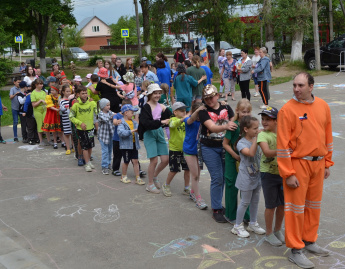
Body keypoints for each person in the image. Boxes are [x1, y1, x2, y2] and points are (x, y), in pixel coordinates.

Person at [277, 72, 333, 269]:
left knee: (313, 206)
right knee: (295, 209)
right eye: (294, 85)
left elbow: (327, 136)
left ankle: (309, 241)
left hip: (318, 164)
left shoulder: (323, 106)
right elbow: (282, 145)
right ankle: (295, 249)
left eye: (300, 85)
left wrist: (327, 162)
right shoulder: (287, 110)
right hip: (298, 164)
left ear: (311, 86)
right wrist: (288, 173)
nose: (296, 89)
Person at [198, 85, 237, 222]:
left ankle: (219, 205)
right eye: (206, 98)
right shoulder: (203, 111)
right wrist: (226, 126)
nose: (209, 100)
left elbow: (234, 119)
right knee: (217, 177)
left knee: (225, 177)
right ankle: (216, 209)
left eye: (211, 97)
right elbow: (212, 127)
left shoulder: (225, 107)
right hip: (209, 147)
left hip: (225, 146)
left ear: (217, 95)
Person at [231, 116, 265, 238]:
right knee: (245, 202)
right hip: (246, 177)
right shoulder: (241, 143)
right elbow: (250, 153)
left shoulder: (257, 139)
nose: (258, 130)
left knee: (255, 201)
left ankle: (253, 223)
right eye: (255, 128)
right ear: (246, 129)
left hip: (257, 176)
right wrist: (257, 138)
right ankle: (237, 226)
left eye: (258, 127)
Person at [257, 106, 285, 246]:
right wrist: (284, 151)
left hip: (283, 173)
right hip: (268, 173)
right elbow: (267, 152)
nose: (264, 122)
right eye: (263, 119)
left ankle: (277, 229)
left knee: (282, 204)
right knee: (271, 205)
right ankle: (269, 233)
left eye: (268, 119)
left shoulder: (283, 133)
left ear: (276, 121)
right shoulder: (262, 135)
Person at [223, 99, 252, 225]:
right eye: (243, 112)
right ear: (237, 111)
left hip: (246, 160)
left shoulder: (250, 125)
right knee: (232, 186)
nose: (245, 114)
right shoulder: (233, 125)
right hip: (232, 159)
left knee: (246, 187)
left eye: (248, 112)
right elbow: (225, 144)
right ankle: (230, 214)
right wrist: (235, 156)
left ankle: (247, 215)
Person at [139, 83, 171, 194]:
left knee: (165, 159)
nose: (157, 95)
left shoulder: (162, 106)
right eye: (155, 93)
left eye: (159, 93)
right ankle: (150, 184)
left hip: (159, 133)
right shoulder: (146, 107)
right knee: (154, 160)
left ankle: (155, 176)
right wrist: (160, 122)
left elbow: (170, 118)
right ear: (150, 94)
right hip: (149, 133)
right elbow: (145, 123)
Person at [162, 102, 190, 197]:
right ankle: (166, 185)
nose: (184, 112)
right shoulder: (172, 120)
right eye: (181, 111)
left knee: (187, 169)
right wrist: (183, 119)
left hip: (185, 149)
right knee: (174, 170)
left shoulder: (186, 120)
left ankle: (186, 188)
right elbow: (173, 124)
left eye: (185, 110)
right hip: (175, 150)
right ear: (175, 112)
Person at [183, 103, 208, 209]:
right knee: (195, 175)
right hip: (189, 150)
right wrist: (197, 111)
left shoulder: (204, 121)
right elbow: (190, 120)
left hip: (199, 150)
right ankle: (198, 198)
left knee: (198, 174)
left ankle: (193, 193)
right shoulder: (188, 119)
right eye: (198, 113)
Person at [69, 86, 98, 172]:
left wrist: (95, 104)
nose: (85, 95)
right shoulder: (76, 105)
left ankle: (88, 161)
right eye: (83, 93)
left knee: (90, 146)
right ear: (78, 94)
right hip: (81, 129)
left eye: (86, 93)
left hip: (91, 128)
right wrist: (80, 123)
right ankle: (87, 163)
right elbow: (71, 116)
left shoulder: (91, 103)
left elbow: (97, 112)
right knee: (84, 146)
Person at [117, 104, 144, 185]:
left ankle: (138, 177)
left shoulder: (134, 122)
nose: (133, 114)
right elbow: (121, 133)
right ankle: (123, 176)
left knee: (135, 161)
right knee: (126, 161)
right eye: (132, 112)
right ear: (126, 113)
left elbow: (139, 129)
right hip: (126, 146)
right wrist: (131, 131)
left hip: (134, 144)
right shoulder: (121, 122)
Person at [98, 98, 116, 175]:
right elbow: (105, 119)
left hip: (110, 135)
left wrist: (118, 114)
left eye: (109, 105)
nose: (109, 107)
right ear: (102, 106)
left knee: (109, 151)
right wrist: (112, 116)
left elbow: (114, 114)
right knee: (105, 151)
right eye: (107, 105)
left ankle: (109, 164)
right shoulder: (101, 114)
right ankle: (104, 166)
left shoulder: (110, 112)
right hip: (103, 136)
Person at [41, 84, 61, 149]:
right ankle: (54, 142)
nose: (51, 91)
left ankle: (62, 141)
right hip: (52, 114)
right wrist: (57, 109)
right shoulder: (49, 97)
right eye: (51, 90)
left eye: (53, 90)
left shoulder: (59, 96)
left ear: (57, 91)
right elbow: (49, 105)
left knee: (60, 129)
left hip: (59, 114)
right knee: (53, 129)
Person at [30, 79, 47, 145]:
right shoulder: (33, 93)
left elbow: (47, 100)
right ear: (36, 85)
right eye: (40, 84)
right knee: (40, 125)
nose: (41, 85)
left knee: (46, 124)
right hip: (37, 111)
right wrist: (40, 101)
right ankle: (41, 140)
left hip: (44, 110)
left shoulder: (43, 92)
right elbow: (33, 105)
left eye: (42, 84)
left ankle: (48, 139)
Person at [60, 84, 73, 154]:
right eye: (67, 91)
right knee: (67, 133)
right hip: (65, 119)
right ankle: (68, 148)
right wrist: (66, 107)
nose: (68, 93)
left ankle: (73, 146)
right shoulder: (61, 100)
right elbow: (61, 109)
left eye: (69, 91)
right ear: (63, 92)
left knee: (73, 134)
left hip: (72, 119)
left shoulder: (72, 100)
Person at [9, 78, 22, 142]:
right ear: (14, 82)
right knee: (15, 122)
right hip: (14, 108)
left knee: (23, 122)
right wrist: (15, 94)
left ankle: (24, 135)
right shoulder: (12, 89)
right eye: (18, 82)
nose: (19, 83)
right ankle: (15, 136)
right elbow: (10, 97)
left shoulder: (21, 88)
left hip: (21, 108)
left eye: (20, 82)